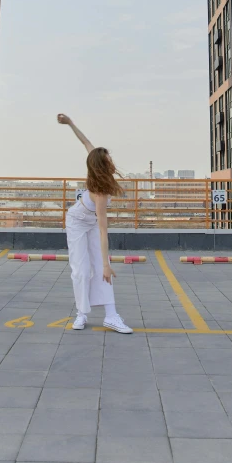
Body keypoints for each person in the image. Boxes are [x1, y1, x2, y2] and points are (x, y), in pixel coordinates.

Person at [57, 114, 133, 334]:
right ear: (102, 164)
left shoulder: (104, 181)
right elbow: (103, 230)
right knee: (81, 271)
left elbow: (85, 141)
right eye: (108, 159)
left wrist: (70, 123)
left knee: (101, 269)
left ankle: (111, 316)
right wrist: (107, 263)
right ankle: (81, 314)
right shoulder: (99, 192)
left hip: (90, 223)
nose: (112, 160)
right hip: (77, 222)